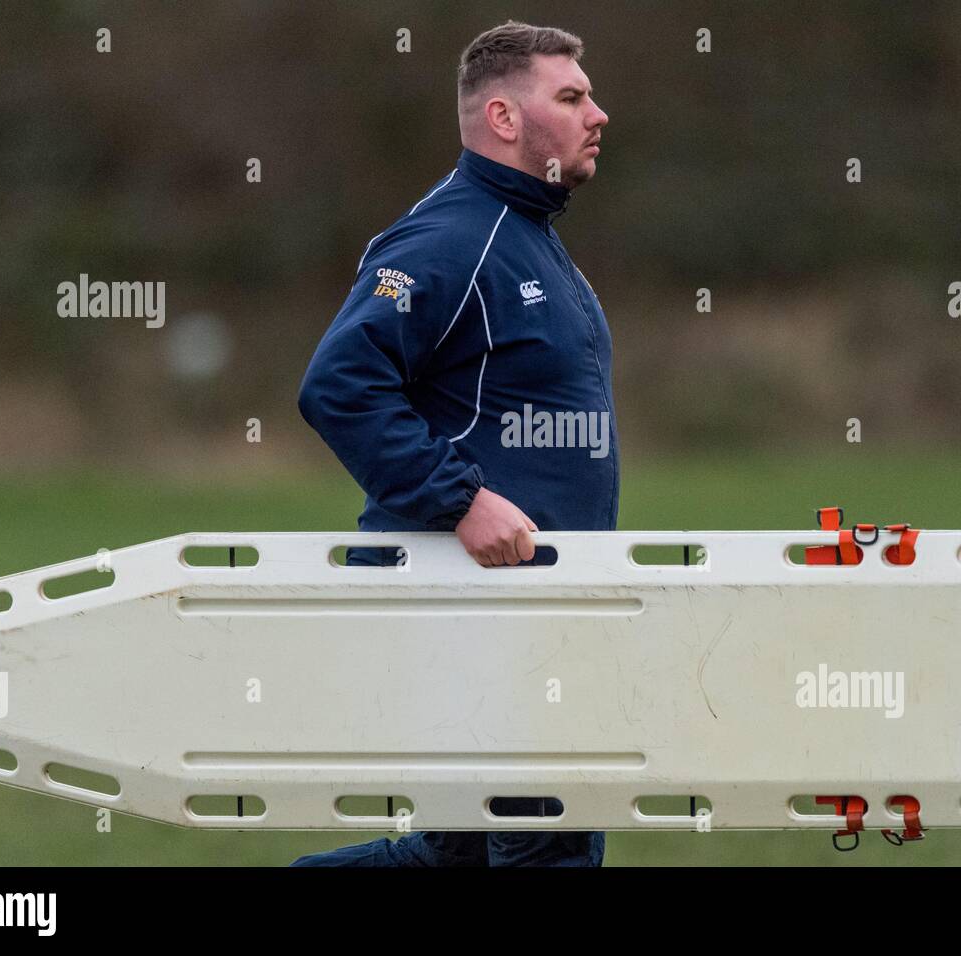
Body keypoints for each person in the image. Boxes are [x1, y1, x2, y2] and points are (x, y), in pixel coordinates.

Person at [292, 20, 615, 866]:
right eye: (572, 96)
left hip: (530, 612)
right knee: (550, 848)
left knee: (461, 857)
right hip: (478, 612)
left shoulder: (529, 234)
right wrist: (460, 501)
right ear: (506, 119)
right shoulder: (449, 240)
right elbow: (338, 387)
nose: (599, 114)